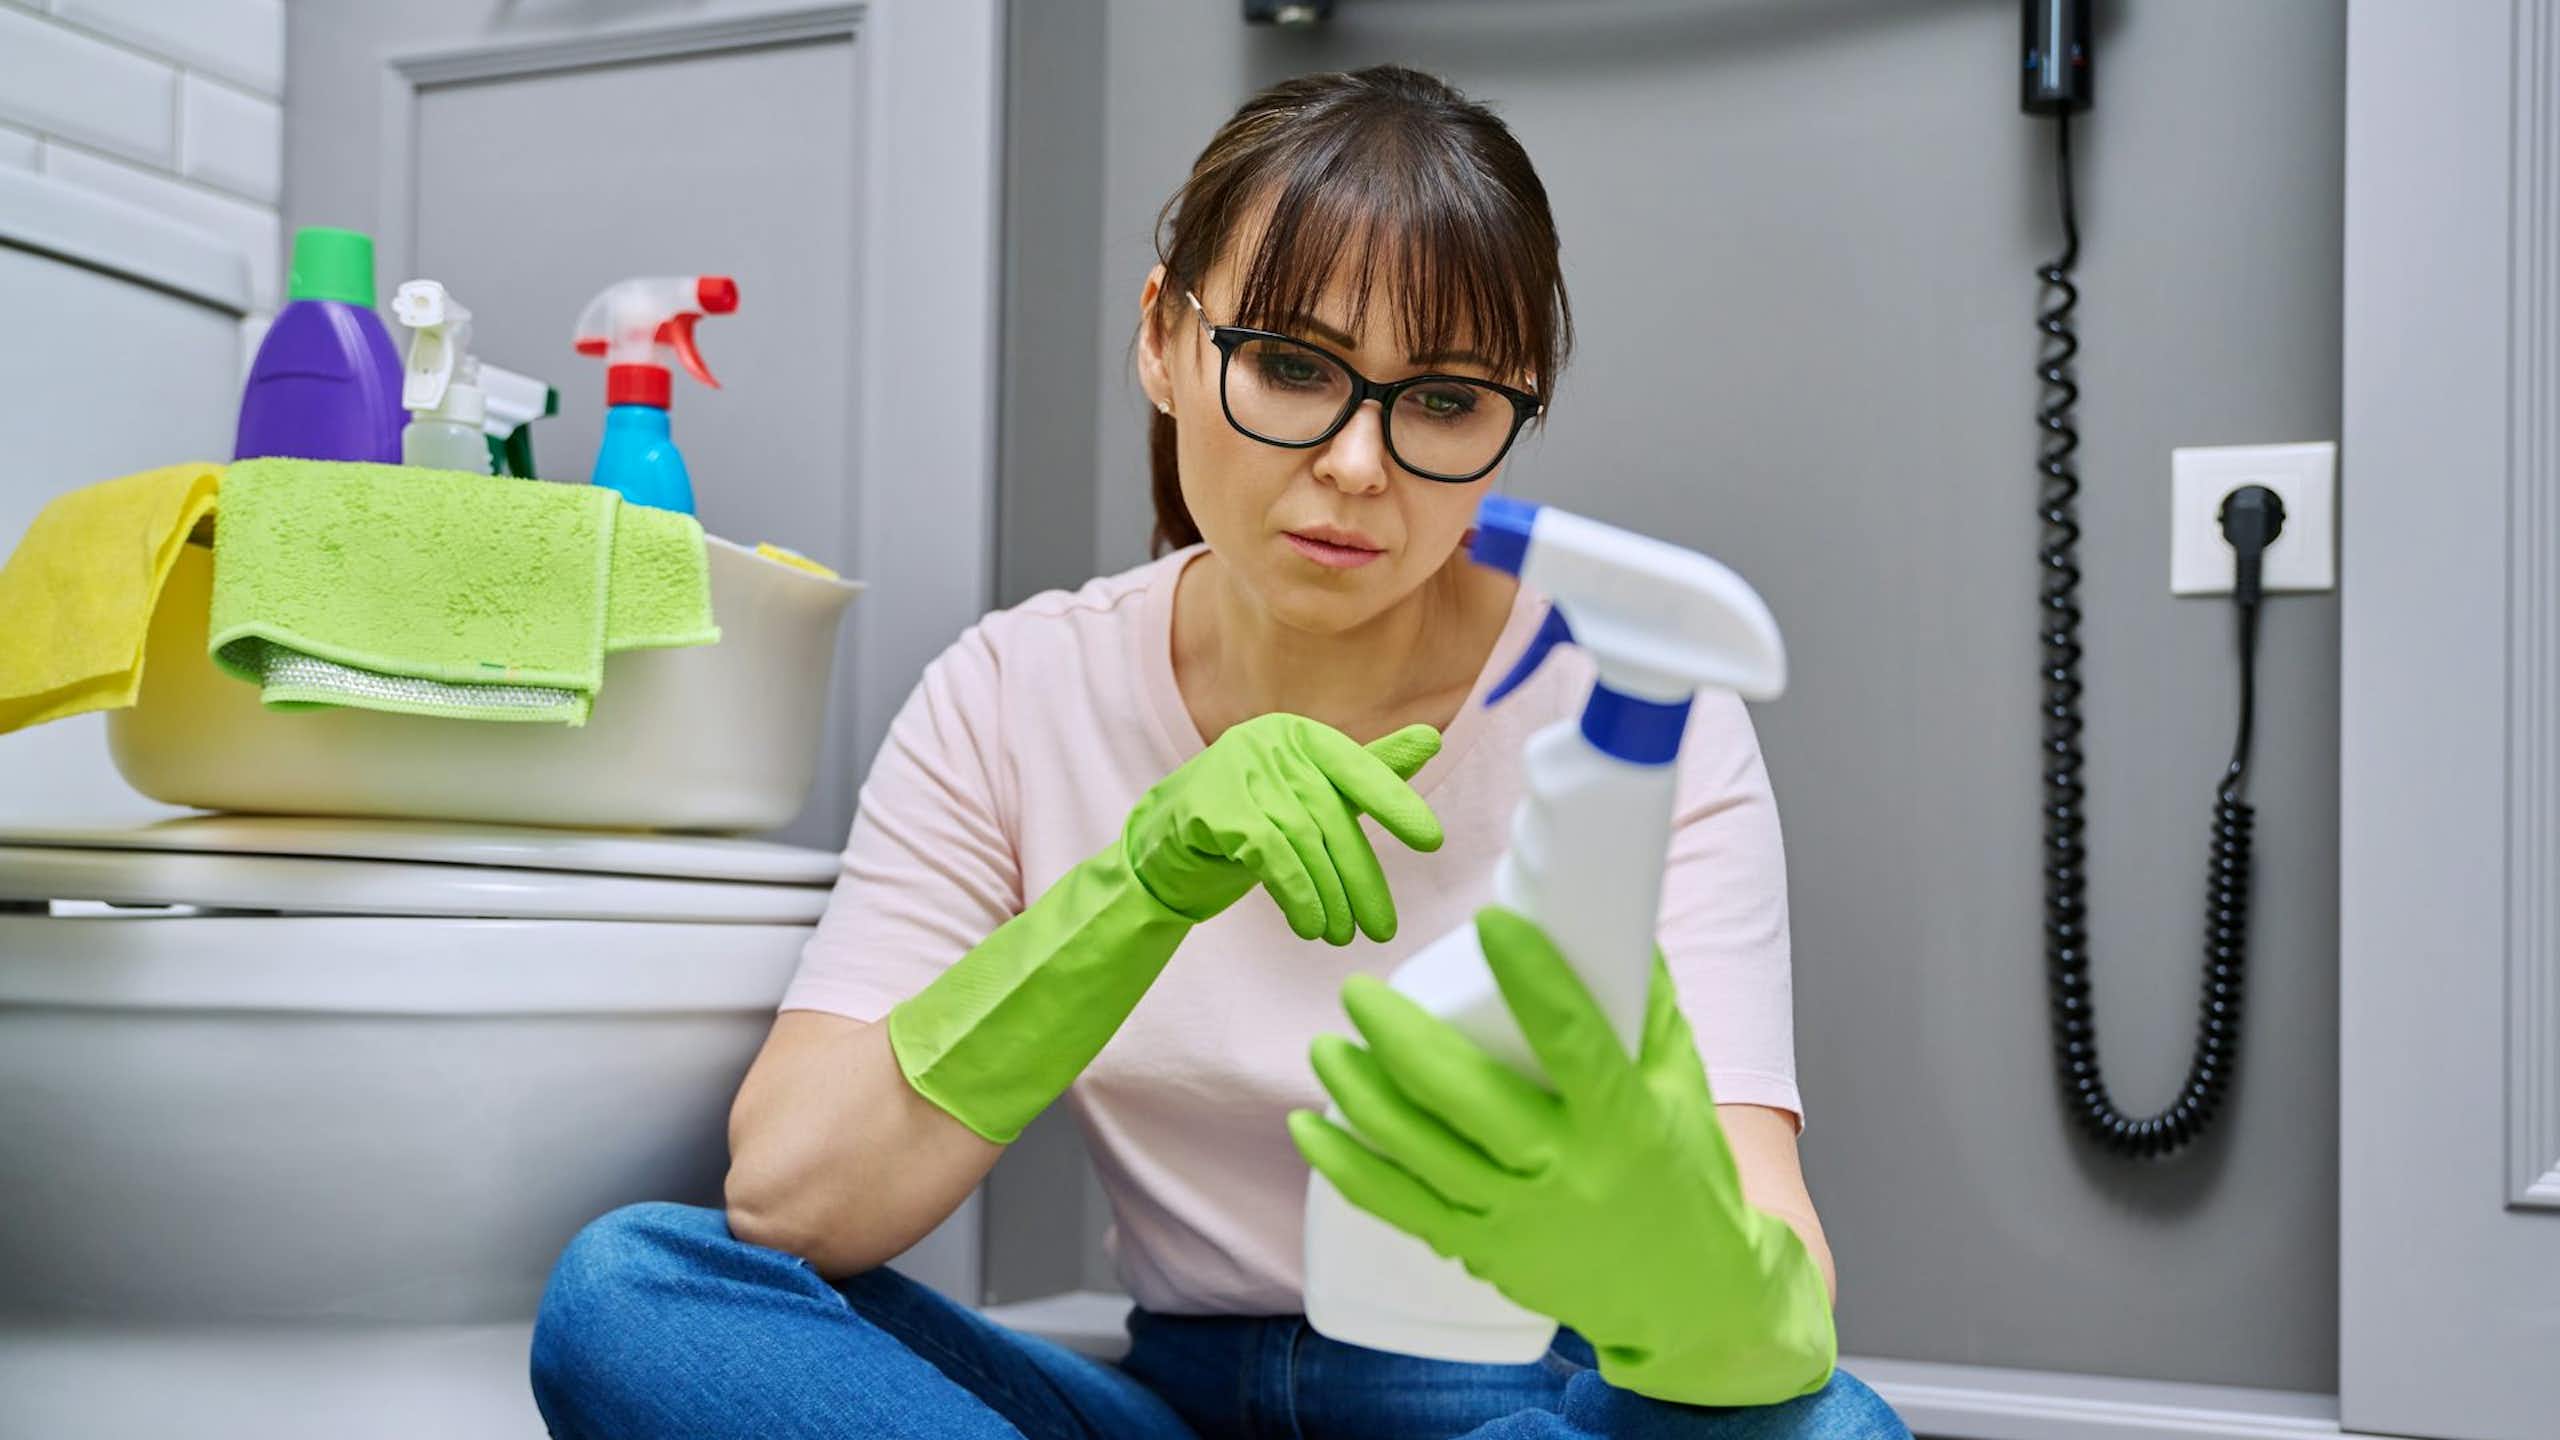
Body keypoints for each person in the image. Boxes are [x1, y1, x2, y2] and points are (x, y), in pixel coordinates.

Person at [530, 63, 1911, 1440]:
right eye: (1294, 368)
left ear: (1516, 413)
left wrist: (1664, 1241)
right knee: (634, 1294)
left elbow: (1784, 1307)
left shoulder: (1639, 715)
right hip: (1172, 1406)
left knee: (1824, 1431)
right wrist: (1137, 885)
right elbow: (794, 1195)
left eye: (1443, 400)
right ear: (1166, 340)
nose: (1360, 465)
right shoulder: (1013, 690)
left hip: (1523, 1406)